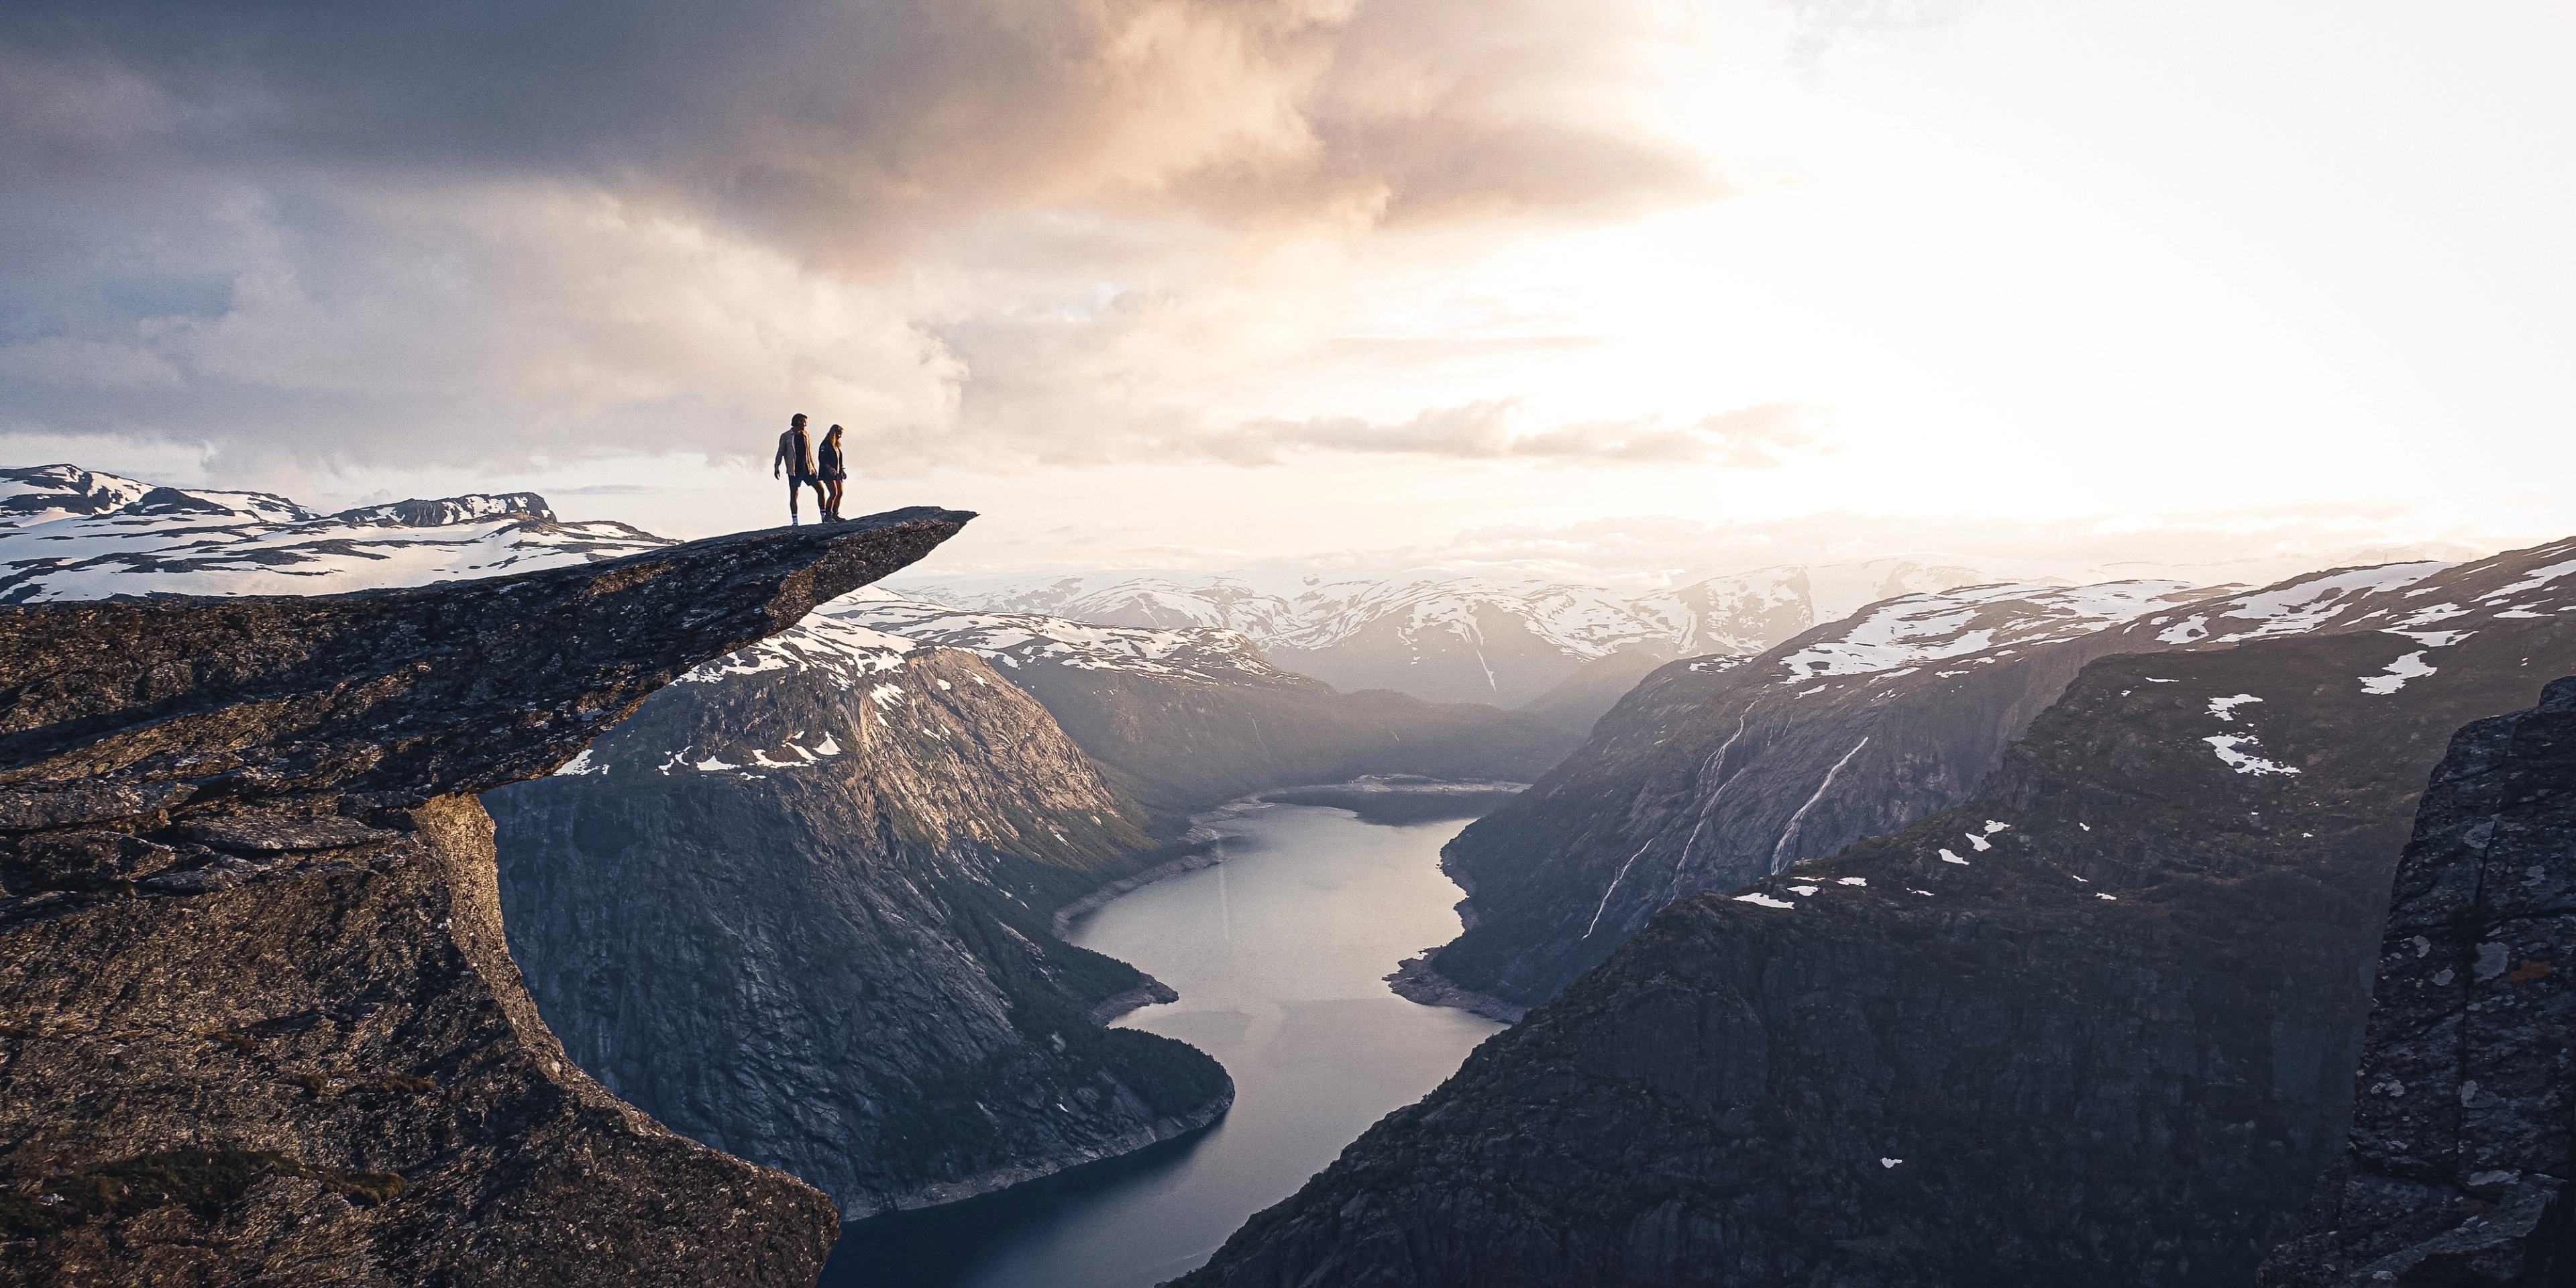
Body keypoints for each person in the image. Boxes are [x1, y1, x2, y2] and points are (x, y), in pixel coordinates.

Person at [771, 413, 826, 525]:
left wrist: (814, 468)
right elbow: (781, 451)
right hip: (794, 470)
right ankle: (795, 521)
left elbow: (809, 453)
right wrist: (777, 466)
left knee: (821, 490)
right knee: (794, 494)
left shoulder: (806, 435)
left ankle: (824, 516)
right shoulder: (786, 436)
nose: (805, 424)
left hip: (808, 469)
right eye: (804, 422)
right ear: (798, 422)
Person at [816, 423, 849, 522]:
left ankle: (835, 514)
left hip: (838, 473)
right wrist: (829, 468)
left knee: (840, 493)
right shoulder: (826, 444)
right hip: (828, 473)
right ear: (834, 433)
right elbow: (822, 458)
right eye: (839, 433)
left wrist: (842, 470)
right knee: (833, 493)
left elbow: (838, 460)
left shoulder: (836, 446)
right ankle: (828, 515)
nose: (840, 436)